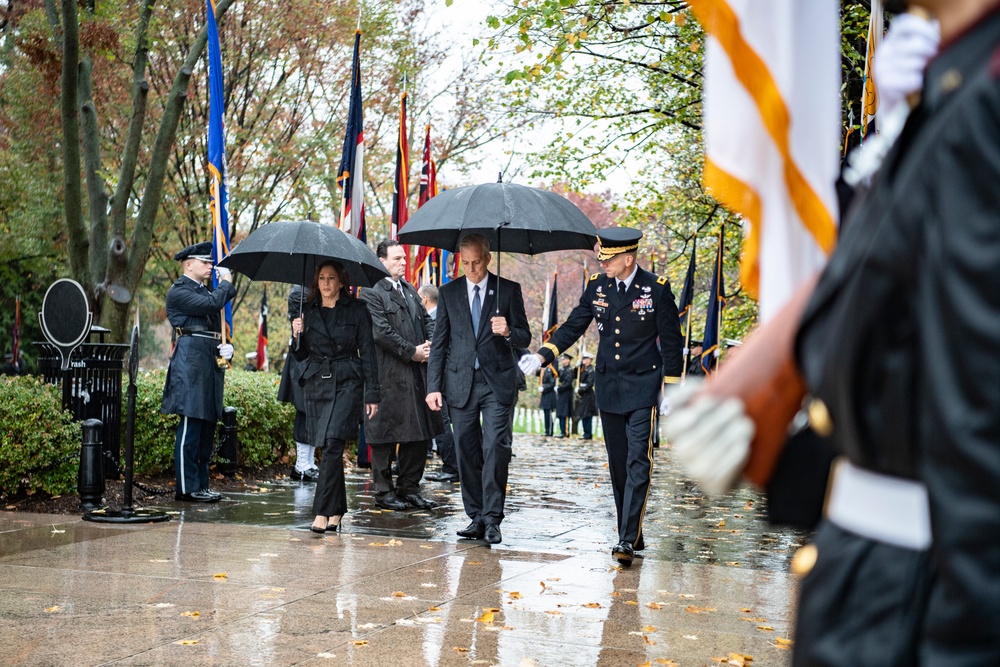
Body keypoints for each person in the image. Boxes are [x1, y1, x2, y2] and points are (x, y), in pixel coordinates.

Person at [667, 4, 1000, 663]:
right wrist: (788, 467)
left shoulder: (981, 99)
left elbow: (982, 445)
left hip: (919, 606)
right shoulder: (950, 86)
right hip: (876, 585)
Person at [519, 227, 683, 564]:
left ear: (628, 258)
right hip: (608, 387)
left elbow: (671, 341)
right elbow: (573, 325)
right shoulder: (597, 287)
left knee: (639, 460)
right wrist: (542, 355)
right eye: (601, 258)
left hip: (643, 386)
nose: (603, 263)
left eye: (608, 259)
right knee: (619, 465)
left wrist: (674, 388)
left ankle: (625, 538)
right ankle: (632, 528)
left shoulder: (656, 288)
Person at [426, 233, 532, 545]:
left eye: (476, 262)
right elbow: (440, 344)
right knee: (466, 451)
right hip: (459, 383)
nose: (471, 269)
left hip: (497, 382)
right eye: (466, 263)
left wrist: (509, 331)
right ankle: (476, 516)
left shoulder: (508, 291)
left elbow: (525, 337)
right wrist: (434, 387)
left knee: (496, 447)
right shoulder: (449, 292)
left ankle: (493, 517)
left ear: (486, 258)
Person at [291, 261, 380, 534]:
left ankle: (321, 511)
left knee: (332, 444)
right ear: (316, 283)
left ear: (341, 282)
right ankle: (338, 510)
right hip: (319, 382)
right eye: (321, 278)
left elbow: (368, 352)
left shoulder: (358, 310)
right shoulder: (307, 312)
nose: (326, 283)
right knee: (328, 446)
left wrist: (373, 393)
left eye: (331, 278)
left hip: (348, 381)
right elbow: (301, 356)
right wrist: (297, 336)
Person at [358, 240, 441, 511]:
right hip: (388, 375)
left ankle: (409, 488)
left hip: (417, 376)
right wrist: (412, 351)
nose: (403, 262)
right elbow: (381, 332)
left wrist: (431, 344)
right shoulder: (372, 291)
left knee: (418, 433)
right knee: (384, 434)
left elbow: (426, 321)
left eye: (404, 258)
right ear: (381, 261)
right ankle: (384, 493)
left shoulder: (409, 289)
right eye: (397, 258)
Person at [161, 241, 236, 503]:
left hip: (208, 362)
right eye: (204, 262)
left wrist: (229, 348)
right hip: (191, 363)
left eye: (210, 262)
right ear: (188, 264)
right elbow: (212, 305)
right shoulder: (179, 292)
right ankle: (186, 487)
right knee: (191, 426)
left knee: (206, 428)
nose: (210, 266)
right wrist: (226, 282)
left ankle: (201, 484)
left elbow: (218, 329)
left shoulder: (205, 293)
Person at [419, 284, 460, 483]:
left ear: (425, 299)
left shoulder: (436, 319)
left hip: (439, 380)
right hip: (439, 379)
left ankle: (452, 466)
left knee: (441, 423)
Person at [277, 285, 319, 482]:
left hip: (314, 360)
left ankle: (308, 462)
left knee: (313, 413)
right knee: (304, 411)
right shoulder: (299, 293)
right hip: (301, 358)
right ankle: (301, 464)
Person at [575, 352, 597, 439]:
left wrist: (580, 390)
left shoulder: (591, 370)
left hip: (588, 395)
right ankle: (585, 433)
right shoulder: (583, 369)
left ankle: (588, 434)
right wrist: (576, 367)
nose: (583, 360)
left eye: (584, 359)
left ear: (589, 360)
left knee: (587, 415)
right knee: (583, 414)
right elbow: (576, 376)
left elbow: (589, 384)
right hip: (584, 395)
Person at [555, 353, 575, 437]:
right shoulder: (562, 369)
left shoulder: (569, 370)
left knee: (565, 413)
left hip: (566, 394)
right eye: (562, 359)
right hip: (561, 393)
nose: (563, 360)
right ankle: (562, 430)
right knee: (560, 412)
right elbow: (555, 373)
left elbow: (568, 383)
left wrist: (559, 388)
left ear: (569, 360)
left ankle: (565, 431)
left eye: (564, 359)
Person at [538, 364, 557, 437]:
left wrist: (544, 387)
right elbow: (538, 375)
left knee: (548, 413)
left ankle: (549, 431)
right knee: (545, 413)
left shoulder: (550, 370)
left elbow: (551, 383)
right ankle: (546, 430)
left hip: (549, 395)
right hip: (545, 395)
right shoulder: (544, 370)